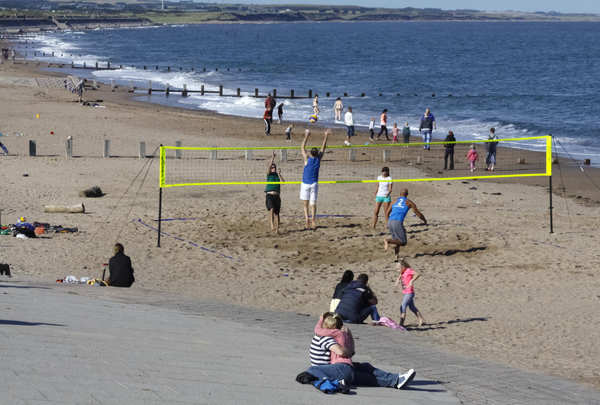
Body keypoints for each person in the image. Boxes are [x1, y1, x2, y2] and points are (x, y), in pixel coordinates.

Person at [301, 313, 416, 389]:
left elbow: (350, 353)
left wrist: (349, 340)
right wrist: (347, 341)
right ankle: (394, 382)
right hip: (332, 369)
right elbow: (342, 352)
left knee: (365, 367)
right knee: (365, 378)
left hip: (336, 367)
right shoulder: (327, 339)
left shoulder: (322, 334)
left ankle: (396, 378)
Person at [384, 189, 427, 259]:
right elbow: (418, 213)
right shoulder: (409, 202)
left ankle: (396, 256)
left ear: (400, 194)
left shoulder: (394, 201)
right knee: (403, 242)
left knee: (396, 241)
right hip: (397, 222)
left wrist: (387, 223)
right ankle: (387, 241)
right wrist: (424, 220)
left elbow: (387, 213)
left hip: (390, 221)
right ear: (407, 194)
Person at [300, 129, 329, 229]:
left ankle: (307, 219)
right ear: (316, 153)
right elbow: (323, 148)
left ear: (311, 153)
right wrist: (326, 136)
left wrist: (307, 135)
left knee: (305, 204)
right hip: (314, 184)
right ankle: (313, 220)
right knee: (313, 204)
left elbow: (302, 147)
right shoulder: (318, 159)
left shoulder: (307, 158)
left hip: (305, 183)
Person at [395, 259, 425, 327]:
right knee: (412, 307)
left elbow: (417, 274)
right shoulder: (402, 272)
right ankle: (421, 319)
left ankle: (401, 323)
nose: (398, 270)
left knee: (403, 306)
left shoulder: (408, 270)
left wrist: (412, 281)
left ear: (403, 266)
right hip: (406, 292)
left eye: (398, 268)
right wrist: (397, 279)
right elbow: (400, 274)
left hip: (410, 292)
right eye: (396, 269)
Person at [265, 151, 284, 233]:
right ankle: (272, 225)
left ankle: (277, 229)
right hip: (269, 195)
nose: (273, 168)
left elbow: (283, 182)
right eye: (272, 167)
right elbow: (269, 167)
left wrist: (280, 174)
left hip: (277, 196)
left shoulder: (277, 175)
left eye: (274, 167)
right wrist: (273, 158)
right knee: (271, 209)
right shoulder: (269, 174)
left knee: (277, 214)